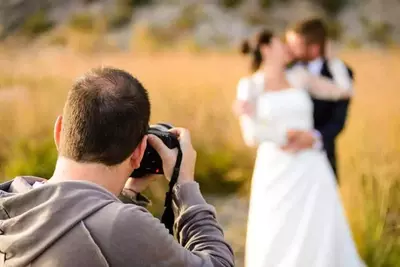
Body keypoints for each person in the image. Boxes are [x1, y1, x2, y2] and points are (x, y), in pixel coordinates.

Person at [0, 67, 234, 267]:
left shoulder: (10, 203)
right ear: (139, 152)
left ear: (59, 131)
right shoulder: (121, 227)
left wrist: (126, 195)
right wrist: (185, 186)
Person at [233, 30, 365, 267]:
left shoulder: (300, 77)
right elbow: (250, 135)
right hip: (275, 169)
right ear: (266, 50)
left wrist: (331, 59)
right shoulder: (249, 86)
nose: (287, 48)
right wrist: (287, 135)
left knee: (319, 229)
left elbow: (345, 91)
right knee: (277, 229)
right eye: (279, 43)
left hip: (311, 167)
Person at [285, 18, 354, 181]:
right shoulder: (285, 69)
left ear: (314, 48)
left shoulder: (341, 74)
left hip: (323, 156)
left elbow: (338, 121)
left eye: (296, 45)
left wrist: (314, 138)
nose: (289, 49)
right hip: (288, 155)